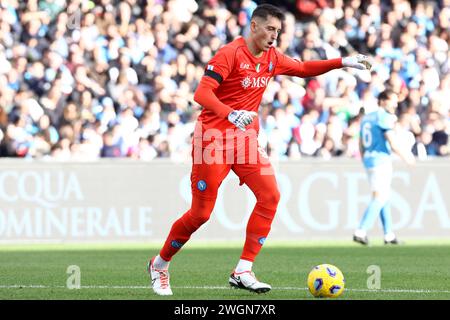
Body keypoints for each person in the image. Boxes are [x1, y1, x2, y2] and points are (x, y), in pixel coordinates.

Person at [148, 4, 372, 296]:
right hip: (212, 142)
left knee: (270, 195)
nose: (274, 36)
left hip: (244, 142)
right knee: (201, 214)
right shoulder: (229, 54)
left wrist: (342, 61)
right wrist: (229, 113)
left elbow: (303, 69)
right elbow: (201, 93)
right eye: (270, 29)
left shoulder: (272, 57)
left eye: (278, 31)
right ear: (253, 26)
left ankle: (243, 270)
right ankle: (160, 265)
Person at [353, 89, 416, 246]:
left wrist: (364, 159)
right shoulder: (384, 117)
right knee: (380, 197)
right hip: (380, 160)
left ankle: (388, 234)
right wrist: (406, 157)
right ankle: (361, 231)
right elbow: (392, 142)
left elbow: (360, 143)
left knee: (384, 197)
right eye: (392, 100)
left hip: (369, 160)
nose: (395, 103)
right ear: (382, 101)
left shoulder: (366, 118)